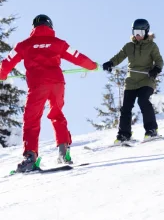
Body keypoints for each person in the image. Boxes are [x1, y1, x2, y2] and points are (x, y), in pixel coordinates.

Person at [0, 14, 98, 172]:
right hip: (57, 84)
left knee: (31, 119)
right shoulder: (59, 43)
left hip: (38, 85)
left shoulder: (24, 45)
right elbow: (76, 56)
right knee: (57, 113)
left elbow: (6, 63)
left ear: (33, 27)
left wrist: (2, 75)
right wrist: (92, 66)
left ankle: (30, 157)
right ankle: (63, 151)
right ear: (50, 26)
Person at [102, 18, 164, 144]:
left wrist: (156, 69)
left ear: (146, 32)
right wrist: (110, 63)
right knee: (126, 108)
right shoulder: (129, 46)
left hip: (146, 79)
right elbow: (119, 57)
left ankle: (151, 130)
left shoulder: (152, 46)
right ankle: (124, 135)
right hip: (131, 81)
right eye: (135, 32)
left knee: (143, 101)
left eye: (140, 33)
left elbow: (159, 60)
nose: (137, 35)